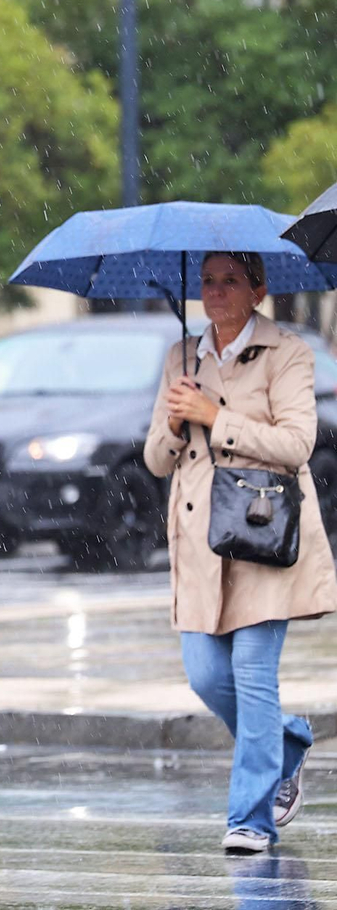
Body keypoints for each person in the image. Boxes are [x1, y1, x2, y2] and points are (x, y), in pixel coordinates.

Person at [143, 250, 337, 855]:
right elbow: (154, 458)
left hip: (264, 535)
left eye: (230, 281)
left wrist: (215, 416)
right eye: (207, 281)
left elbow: (297, 443)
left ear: (258, 288)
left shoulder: (290, 354)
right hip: (201, 544)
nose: (216, 292)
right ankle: (287, 743)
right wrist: (176, 425)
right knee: (205, 674)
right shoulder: (181, 356)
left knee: (253, 678)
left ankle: (251, 818)